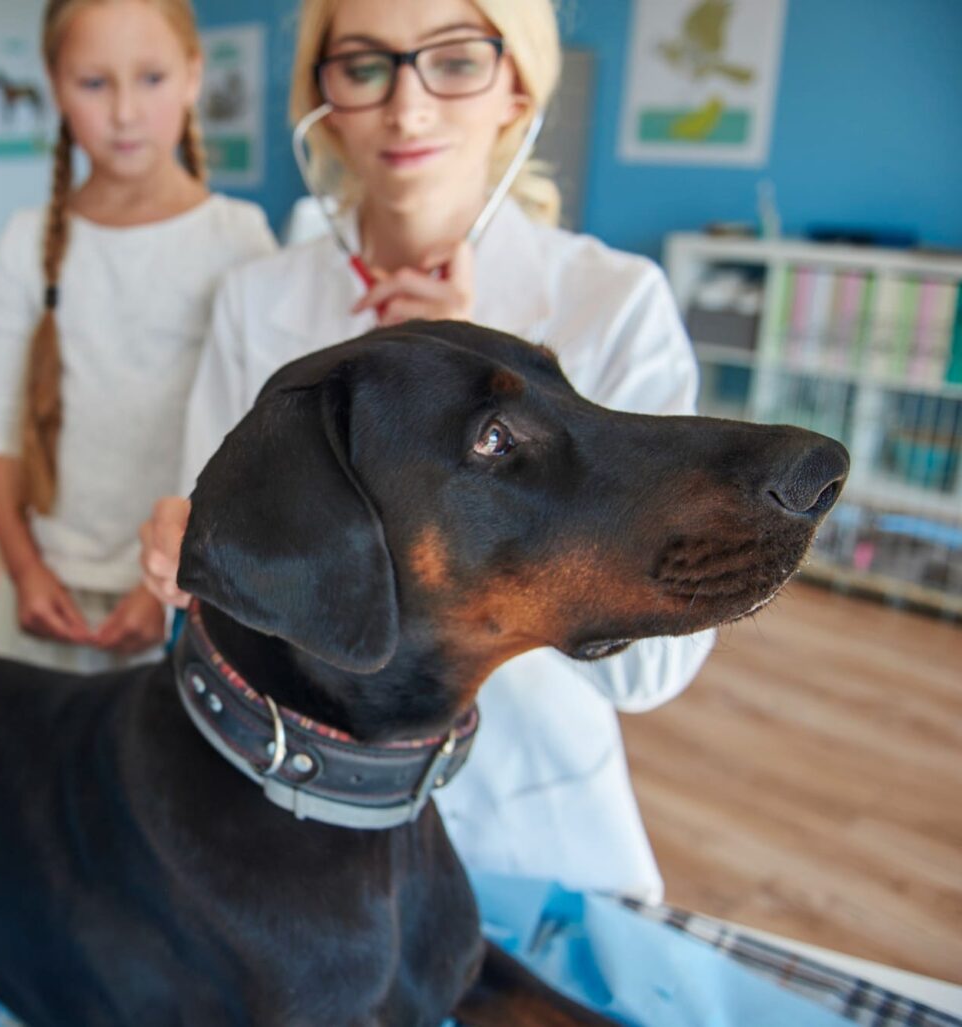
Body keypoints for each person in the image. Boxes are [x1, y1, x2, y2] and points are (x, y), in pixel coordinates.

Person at [139, 0, 712, 901]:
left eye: (454, 61)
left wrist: (469, 391)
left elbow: (652, 669)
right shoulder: (257, 301)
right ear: (321, 96)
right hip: (296, 823)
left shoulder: (613, 302)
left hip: (530, 830)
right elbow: (217, 580)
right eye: (365, 67)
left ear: (516, 85)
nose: (406, 109)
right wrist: (189, 554)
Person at [0, 0, 276, 674]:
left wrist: (162, 584)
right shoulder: (24, 243)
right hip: (48, 588)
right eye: (94, 83)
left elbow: (253, 436)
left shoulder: (240, 239)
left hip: (182, 592)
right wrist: (25, 570)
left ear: (193, 77)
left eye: (151, 78)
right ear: (54, 86)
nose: (126, 112)